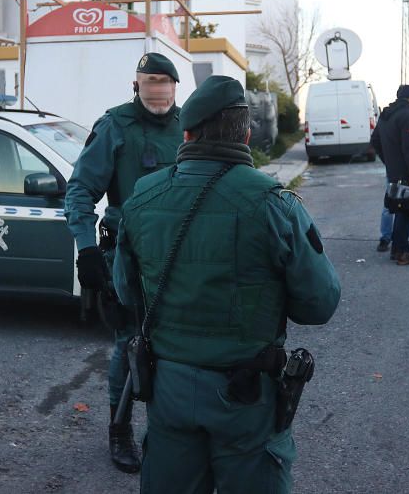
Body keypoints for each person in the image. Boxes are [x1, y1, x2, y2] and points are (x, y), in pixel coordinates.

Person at [113, 75, 341, 493]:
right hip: (246, 396)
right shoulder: (274, 203)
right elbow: (319, 305)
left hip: (169, 390)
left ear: (187, 133)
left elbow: (127, 293)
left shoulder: (142, 197)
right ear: (247, 133)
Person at [64, 52, 184, 473]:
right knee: (128, 344)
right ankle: (119, 429)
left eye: (165, 84)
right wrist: (87, 249)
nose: (158, 92)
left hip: (181, 257)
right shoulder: (114, 126)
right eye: (150, 83)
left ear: (175, 87)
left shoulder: (188, 127)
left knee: (176, 345)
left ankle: (168, 431)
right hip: (128, 256)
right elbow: (80, 191)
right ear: (136, 86)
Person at [372, 84, 409, 265]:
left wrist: (388, 161)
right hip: (406, 173)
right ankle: (403, 253)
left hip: (393, 172)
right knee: (406, 209)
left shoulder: (386, 115)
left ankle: (396, 249)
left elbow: (375, 141)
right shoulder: (407, 115)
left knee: (397, 207)